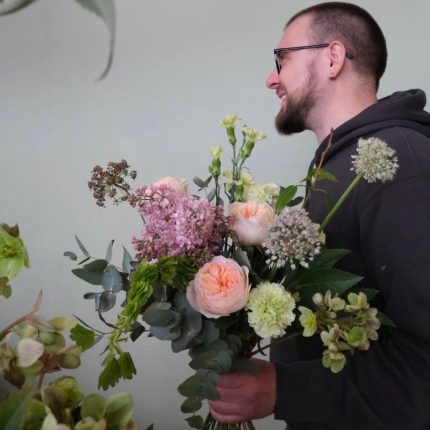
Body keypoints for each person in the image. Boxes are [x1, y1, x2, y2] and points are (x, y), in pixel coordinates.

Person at [209, 2, 430, 429]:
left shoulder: (402, 167)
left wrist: (284, 389)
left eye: (282, 58)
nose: (271, 78)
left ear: (333, 58)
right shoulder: (340, 166)